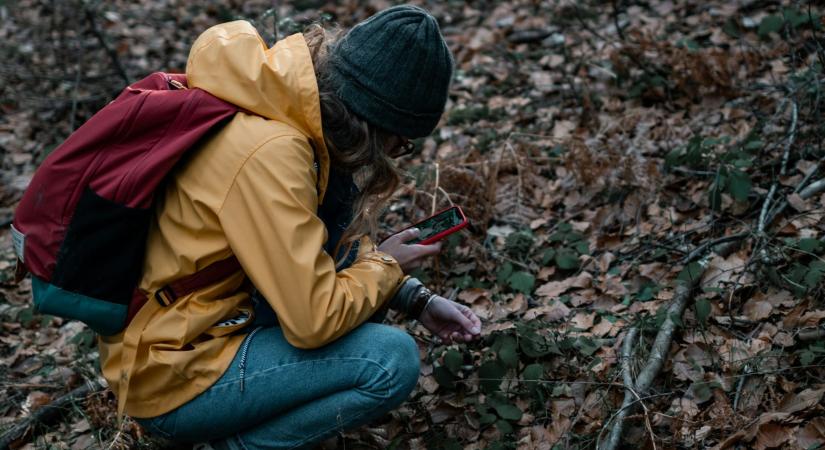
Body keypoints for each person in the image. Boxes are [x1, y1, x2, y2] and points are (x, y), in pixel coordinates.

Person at [98, 5, 482, 449]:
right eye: (402, 140)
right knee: (388, 361)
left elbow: (309, 248)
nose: (398, 154)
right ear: (377, 123)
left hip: (196, 338)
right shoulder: (273, 153)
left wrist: (413, 298)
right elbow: (312, 320)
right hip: (176, 375)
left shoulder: (285, 112)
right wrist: (385, 268)